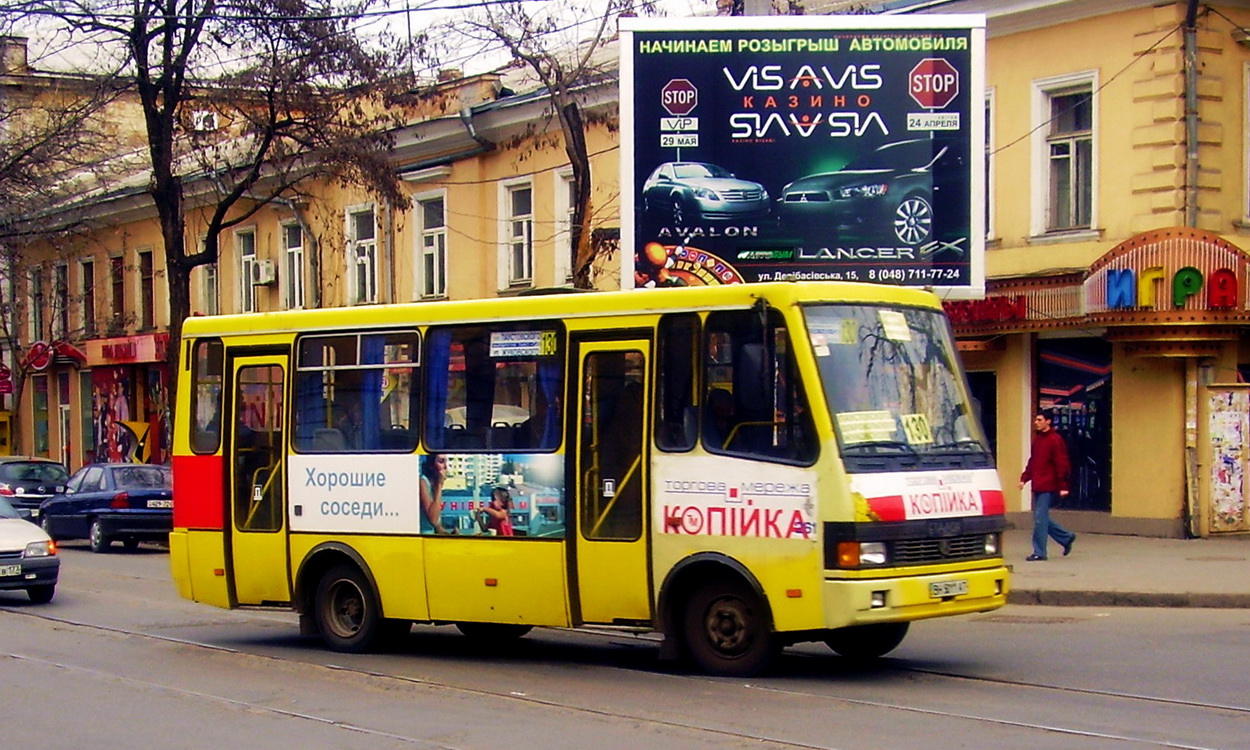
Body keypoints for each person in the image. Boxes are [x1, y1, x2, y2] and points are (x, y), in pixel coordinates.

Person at [1019, 410, 1076, 561]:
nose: (1036, 422)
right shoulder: (1038, 440)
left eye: (1039, 419)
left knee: (1039, 519)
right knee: (1040, 517)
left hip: (1049, 485)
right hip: (1039, 484)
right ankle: (1066, 537)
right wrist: (1024, 478)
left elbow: (1061, 463)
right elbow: (1033, 461)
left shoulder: (1055, 440)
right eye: (1036, 420)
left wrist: (1064, 486)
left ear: (1048, 421)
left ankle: (1040, 552)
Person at [419, 453, 451, 535]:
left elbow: (436, 524)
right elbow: (432, 519)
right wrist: (439, 485)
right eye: (441, 462)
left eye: (446, 462)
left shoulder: (434, 485)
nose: (445, 467)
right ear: (431, 465)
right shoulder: (423, 482)